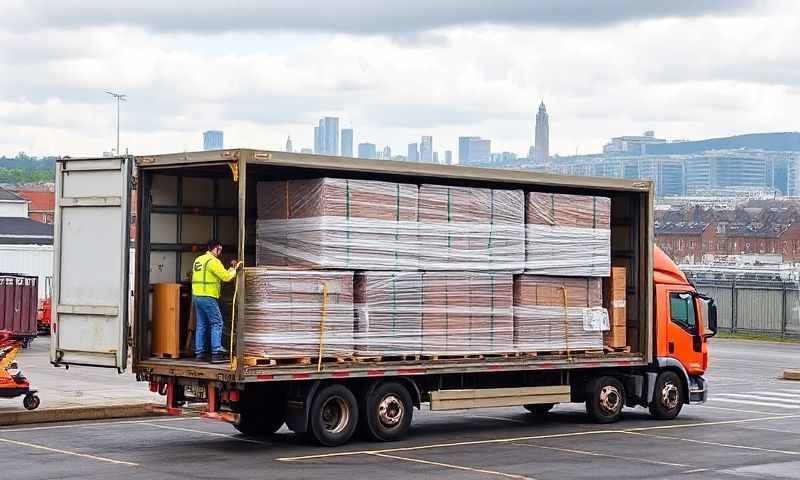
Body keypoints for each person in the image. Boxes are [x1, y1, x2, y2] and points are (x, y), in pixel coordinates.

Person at [192, 240, 242, 363]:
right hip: (208, 296)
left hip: (197, 296)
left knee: (201, 324)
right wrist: (235, 269)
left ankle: (200, 353)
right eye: (220, 249)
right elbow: (226, 277)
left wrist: (230, 268)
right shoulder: (213, 261)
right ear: (216, 249)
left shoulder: (198, 260)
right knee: (217, 323)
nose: (220, 252)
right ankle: (216, 352)